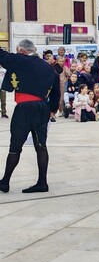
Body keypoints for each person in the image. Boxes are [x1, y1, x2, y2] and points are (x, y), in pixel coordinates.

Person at [0, 39, 60, 193]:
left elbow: (1, 55)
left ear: (22, 50)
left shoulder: (20, 60)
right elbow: (56, 92)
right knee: (41, 146)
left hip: (25, 107)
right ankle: (42, 182)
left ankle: (5, 182)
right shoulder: (49, 68)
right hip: (42, 108)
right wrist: (52, 109)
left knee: (15, 147)